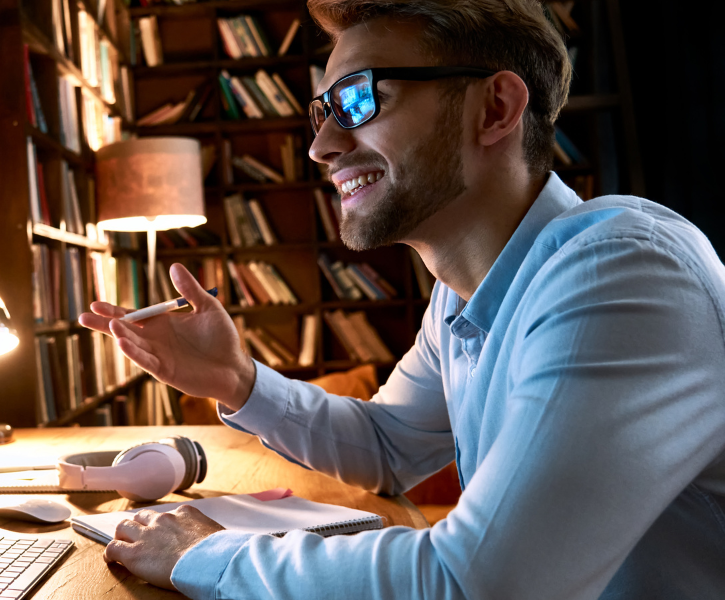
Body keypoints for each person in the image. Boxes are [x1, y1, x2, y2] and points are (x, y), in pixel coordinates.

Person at [79, 1, 725, 598]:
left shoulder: (623, 271)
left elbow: (480, 583)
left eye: (358, 101)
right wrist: (237, 380)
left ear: (495, 108)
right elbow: (389, 446)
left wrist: (210, 555)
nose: (322, 145)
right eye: (321, 111)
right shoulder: (461, 295)